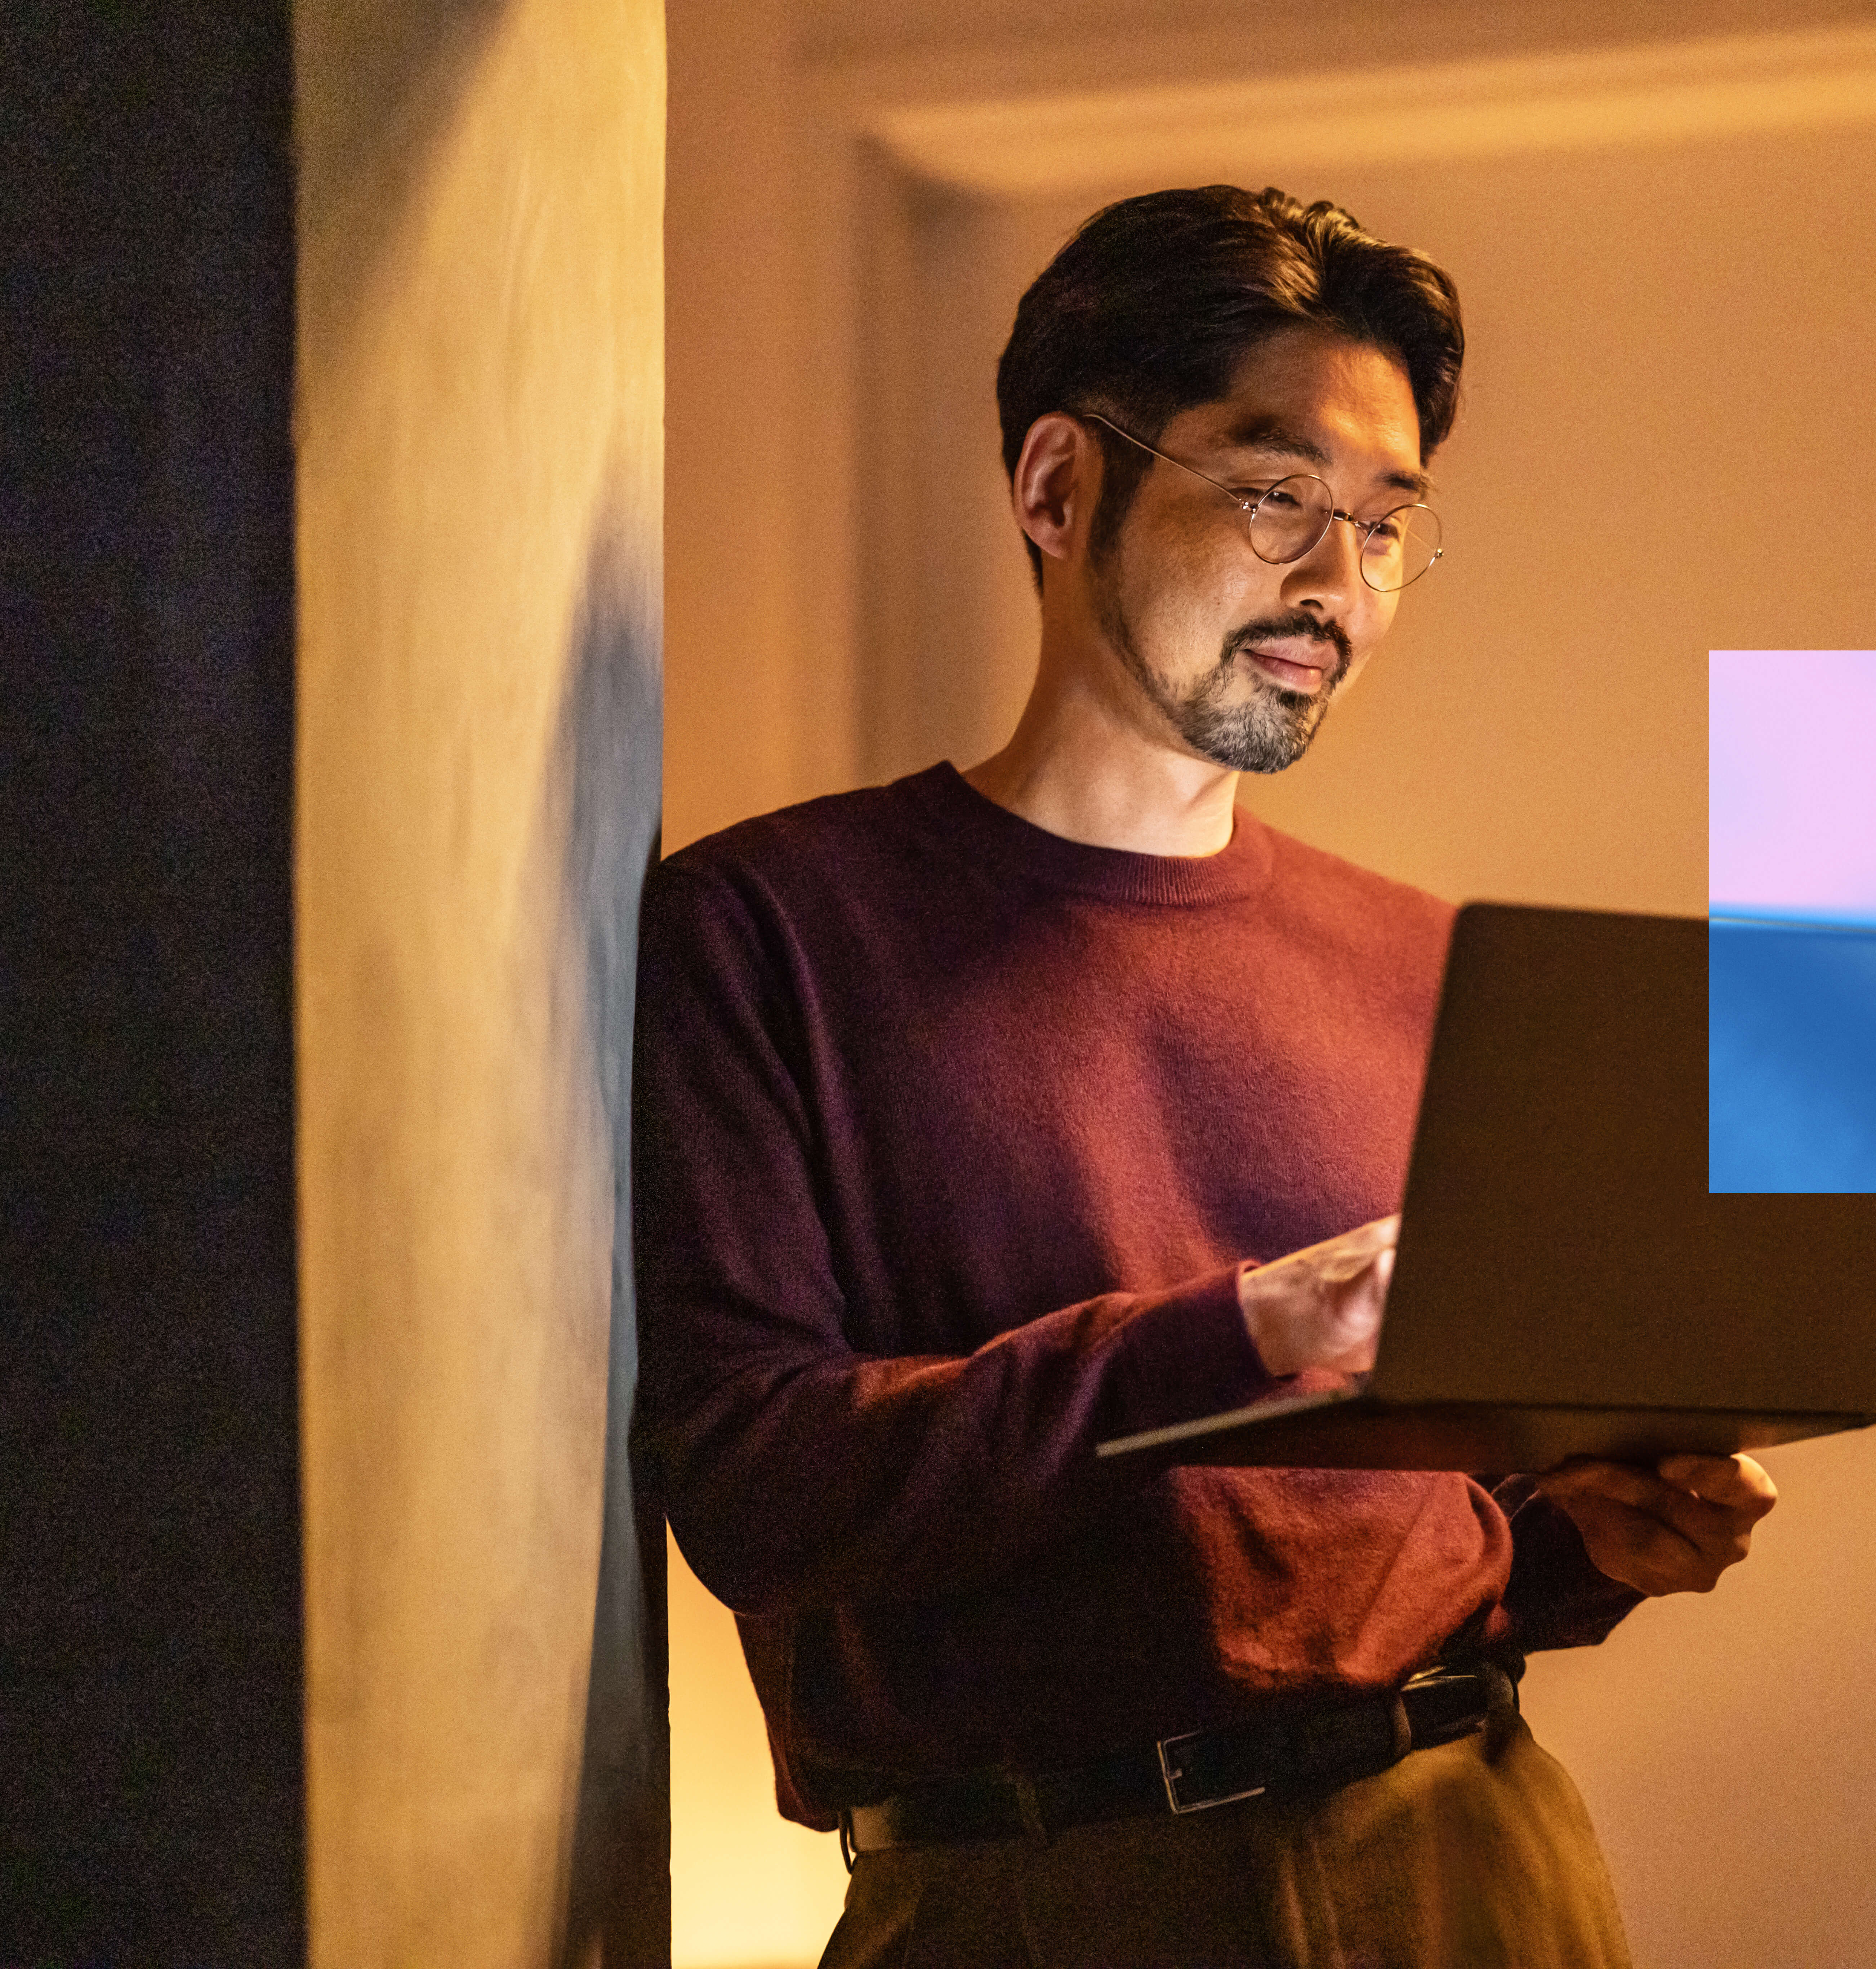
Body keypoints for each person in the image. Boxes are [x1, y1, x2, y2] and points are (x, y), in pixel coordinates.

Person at [634, 184, 1779, 1969]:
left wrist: (1581, 1543)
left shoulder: (1420, 963)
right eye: (1276, 497)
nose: (1337, 581)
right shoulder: (765, 926)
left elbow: (1389, 1527)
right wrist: (1246, 1327)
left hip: (1467, 1854)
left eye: (1388, 527)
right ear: (1052, 486)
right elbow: (757, 1479)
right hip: (1028, 1895)